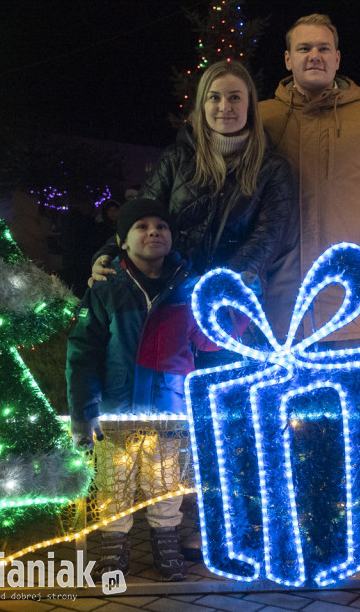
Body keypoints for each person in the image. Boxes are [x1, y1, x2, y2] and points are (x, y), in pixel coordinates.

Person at [68, 199, 223, 582]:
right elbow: (84, 352)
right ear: (121, 241)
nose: (153, 231)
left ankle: (166, 542)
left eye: (161, 226)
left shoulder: (189, 290)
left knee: (165, 483)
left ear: (171, 238)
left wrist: (229, 314)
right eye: (141, 226)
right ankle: (114, 547)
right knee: (113, 485)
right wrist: (83, 411)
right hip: (116, 409)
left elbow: (209, 342)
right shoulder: (106, 290)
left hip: (170, 408)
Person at [259, 13, 360, 344]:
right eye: (304, 48)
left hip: (349, 304)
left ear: (337, 58)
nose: (314, 55)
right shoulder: (262, 118)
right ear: (288, 59)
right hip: (275, 302)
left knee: (350, 397)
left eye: (323, 48)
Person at [91, 61, 296, 304]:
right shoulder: (176, 158)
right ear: (202, 104)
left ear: (250, 105)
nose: (224, 107)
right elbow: (140, 214)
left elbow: (267, 237)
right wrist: (108, 252)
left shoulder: (272, 169)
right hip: (170, 290)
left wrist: (222, 282)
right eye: (214, 97)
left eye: (235, 97)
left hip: (233, 299)